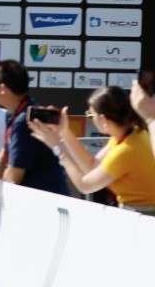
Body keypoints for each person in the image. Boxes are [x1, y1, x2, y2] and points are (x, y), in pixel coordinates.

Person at [31, 86, 155, 215]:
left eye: (91, 115)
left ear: (103, 119)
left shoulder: (124, 151)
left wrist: (57, 148)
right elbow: (91, 167)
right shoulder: (132, 134)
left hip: (142, 216)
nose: (91, 118)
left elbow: (85, 185)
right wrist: (65, 132)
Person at [0, 60, 69, 206]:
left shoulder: (23, 121)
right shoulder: (17, 113)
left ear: (3, 88)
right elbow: (5, 152)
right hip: (39, 199)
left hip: (45, 203)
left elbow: (14, 176)